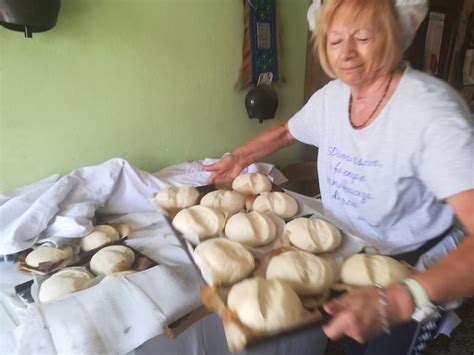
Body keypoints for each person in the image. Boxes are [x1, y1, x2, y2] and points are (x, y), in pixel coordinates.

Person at [203, 0, 474, 354]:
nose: (346, 52)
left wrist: (402, 300)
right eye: (334, 40)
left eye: (362, 36)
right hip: (344, 250)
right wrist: (238, 157)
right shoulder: (332, 98)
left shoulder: (431, 112)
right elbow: (287, 132)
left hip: (408, 267)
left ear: (394, 36)